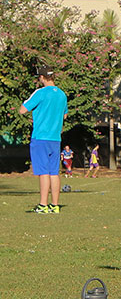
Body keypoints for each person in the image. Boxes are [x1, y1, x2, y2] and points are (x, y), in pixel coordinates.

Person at [19, 65, 68, 214]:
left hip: (41, 137)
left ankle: (43, 205)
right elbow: (64, 115)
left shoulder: (40, 93)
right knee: (54, 172)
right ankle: (55, 205)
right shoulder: (62, 94)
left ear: (41, 77)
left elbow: (22, 110)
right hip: (55, 138)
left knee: (43, 172)